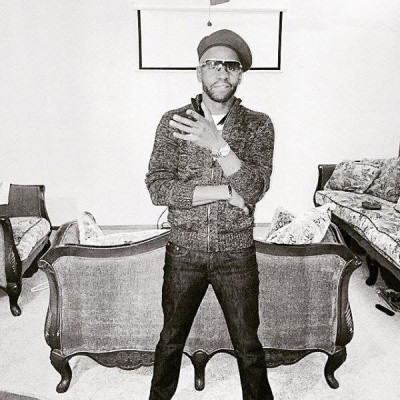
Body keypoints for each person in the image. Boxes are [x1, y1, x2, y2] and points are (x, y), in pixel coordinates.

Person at [145, 29, 275, 400]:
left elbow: (254, 188)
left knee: (248, 345)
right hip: (184, 250)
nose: (222, 72)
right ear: (199, 71)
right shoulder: (173, 122)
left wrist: (218, 145)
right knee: (170, 340)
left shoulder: (258, 124)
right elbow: (158, 188)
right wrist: (223, 192)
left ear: (240, 75)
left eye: (231, 66)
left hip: (236, 253)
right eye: (213, 64)